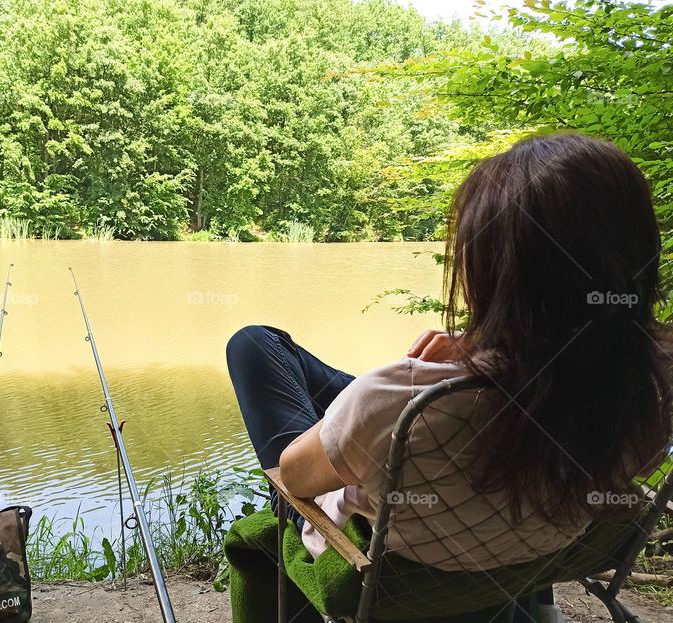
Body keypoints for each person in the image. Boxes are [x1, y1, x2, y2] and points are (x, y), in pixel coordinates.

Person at [227, 132, 671, 569]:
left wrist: (375, 401)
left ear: (491, 273)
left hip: (387, 558)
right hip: (533, 539)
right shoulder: (651, 379)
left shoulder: (398, 398)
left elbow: (295, 478)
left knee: (253, 345)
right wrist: (489, 345)